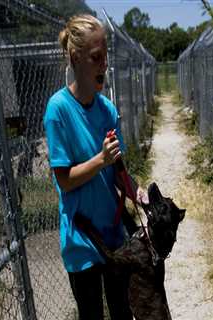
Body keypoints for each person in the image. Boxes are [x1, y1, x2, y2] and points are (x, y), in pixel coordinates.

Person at [43, 14, 146, 320]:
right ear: (75, 58)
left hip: (113, 234)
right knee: (91, 314)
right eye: (96, 57)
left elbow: (118, 172)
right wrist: (100, 159)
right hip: (82, 239)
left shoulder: (107, 110)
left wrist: (137, 192)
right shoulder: (58, 110)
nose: (104, 65)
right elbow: (64, 180)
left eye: (106, 56)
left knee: (122, 312)